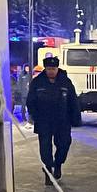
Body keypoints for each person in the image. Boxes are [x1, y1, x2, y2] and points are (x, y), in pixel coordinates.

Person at [26, 56, 81, 185]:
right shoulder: (37, 82)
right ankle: (48, 170)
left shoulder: (65, 82)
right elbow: (31, 101)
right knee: (45, 147)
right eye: (49, 69)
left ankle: (58, 164)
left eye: (53, 68)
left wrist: (76, 118)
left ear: (57, 68)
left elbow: (73, 101)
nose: (51, 71)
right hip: (44, 120)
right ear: (45, 69)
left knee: (64, 144)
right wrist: (34, 115)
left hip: (62, 121)